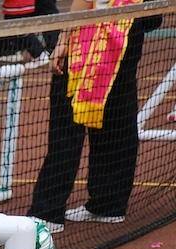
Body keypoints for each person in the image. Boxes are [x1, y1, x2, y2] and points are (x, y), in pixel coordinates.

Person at [26, 0, 163, 229]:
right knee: (115, 115)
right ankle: (108, 204)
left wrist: (63, 40)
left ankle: (47, 213)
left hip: (100, 36)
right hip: (127, 26)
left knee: (69, 121)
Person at [0, 0, 58, 68]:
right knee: (10, 31)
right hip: (15, 5)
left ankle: (40, 55)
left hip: (19, 5)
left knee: (20, 32)